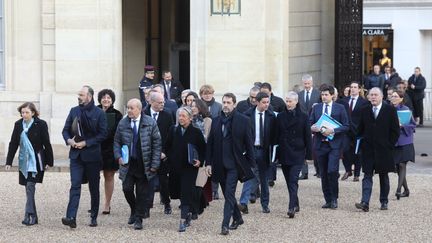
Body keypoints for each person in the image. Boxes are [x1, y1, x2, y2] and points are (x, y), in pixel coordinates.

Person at [205, 93, 255, 235]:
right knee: (229, 196)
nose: (225, 105)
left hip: (234, 165)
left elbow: (249, 143)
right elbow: (210, 144)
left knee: (229, 193)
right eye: (224, 102)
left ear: (234, 104)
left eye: (228, 102)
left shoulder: (243, 120)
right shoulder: (216, 121)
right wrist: (208, 163)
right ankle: (238, 218)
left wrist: (251, 163)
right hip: (219, 165)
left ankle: (224, 225)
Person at [61, 85, 108, 228]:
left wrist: (86, 143)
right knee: (75, 185)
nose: (79, 97)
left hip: (92, 156)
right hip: (76, 156)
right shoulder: (73, 111)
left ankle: (93, 216)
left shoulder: (99, 113)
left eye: (82, 94)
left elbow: (103, 134)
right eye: (79, 94)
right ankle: (71, 217)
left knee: (94, 188)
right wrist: (69, 141)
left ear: (90, 96)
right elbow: (65, 131)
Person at [113, 98, 162, 230]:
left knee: (141, 193)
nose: (129, 110)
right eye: (128, 108)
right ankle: (134, 209)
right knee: (127, 189)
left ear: (139, 109)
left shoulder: (150, 123)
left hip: (144, 164)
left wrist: (154, 164)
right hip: (128, 164)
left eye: (131, 108)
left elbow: (157, 145)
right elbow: (116, 142)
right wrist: (118, 157)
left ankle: (139, 218)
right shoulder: (123, 123)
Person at [5, 102, 54, 226]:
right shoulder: (18, 124)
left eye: (27, 112)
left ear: (33, 113)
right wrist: (9, 162)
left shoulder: (41, 124)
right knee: (28, 188)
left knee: (30, 186)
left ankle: (29, 215)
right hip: (24, 161)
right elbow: (13, 143)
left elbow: (46, 143)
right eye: (22, 112)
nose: (24, 114)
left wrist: (49, 161)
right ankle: (33, 217)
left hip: (36, 160)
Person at [355, 88, 400, 212]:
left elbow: (395, 131)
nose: (373, 97)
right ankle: (365, 202)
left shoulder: (390, 110)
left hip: (384, 150)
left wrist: (389, 145)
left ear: (381, 97)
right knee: (367, 175)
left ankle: (384, 201)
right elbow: (360, 129)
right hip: (368, 149)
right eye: (371, 95)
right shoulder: (364, 110)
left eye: (375, 95)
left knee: (383, 176)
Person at [165, 106, 206, 232]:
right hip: (175, 168)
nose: (181, 118)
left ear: (190, 118)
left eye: (183, 116)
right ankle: (189, 212)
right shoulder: (173, 129)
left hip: (190, 168)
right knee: (179, 192)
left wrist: (200, 161)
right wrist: (168, 156)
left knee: (186, 190)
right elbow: (167, 146)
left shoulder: (196, 132)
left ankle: (182, 220)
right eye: (179, 116)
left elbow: (203, 149)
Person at [310, 84, 349, 209]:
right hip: (320, 144)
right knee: (323, 173)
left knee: (332, 171)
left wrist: (333, 130)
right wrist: (313, 128)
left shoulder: (340, 108)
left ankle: (334, 198)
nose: (324, 97)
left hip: (334, 145)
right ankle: (327, 199)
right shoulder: (316, 108)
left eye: (326, 94)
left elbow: (346, 126)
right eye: (322, 94)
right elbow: (310, 123)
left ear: (332, 95)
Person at [239, 92, 276, 214]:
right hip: (251, 150)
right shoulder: (247, 115)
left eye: (268, 102)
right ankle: (243, 203)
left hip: (264, 150)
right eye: (264, 102)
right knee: (249, 175)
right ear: (257, 102)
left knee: (264, 179)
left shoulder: (271, 116)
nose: (266, 105)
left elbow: (274, 136)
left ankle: (265, 204)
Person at [276, 92, 312, 218]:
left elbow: (308, 136)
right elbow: (276, 135)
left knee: (293, 180)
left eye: (290, 101)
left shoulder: (303, 116)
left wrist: (309, 155)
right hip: (284, 152)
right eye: (287, 100)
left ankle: (291, 207)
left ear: (296, 101)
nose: (288, 103)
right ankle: (296, 203)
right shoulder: (280, 116)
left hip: (298, 152)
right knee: (289, 181)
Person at [144, 92, 174, 215]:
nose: (163, 104)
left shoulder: (167, 115)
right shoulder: (143, 114)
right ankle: (147, 205)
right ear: (151, 102)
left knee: (163, 181)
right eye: (160, 102)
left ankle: (166, 203)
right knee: (147, 180)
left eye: (163, 102)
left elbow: (170, 135)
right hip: (146, 152)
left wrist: (165, 152)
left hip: (162, 153)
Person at [97, 89, 123, 215]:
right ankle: (94, 202)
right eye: (103, 97)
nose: (106, 100)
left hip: (110, 149)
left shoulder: (117, 114)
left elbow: (118, 132)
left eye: (108, 98)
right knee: (93, 177)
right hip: (95, 148)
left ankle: (107, 203)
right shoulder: (94, 111)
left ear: (112, 100)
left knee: (109, 175)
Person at [390, 90, 415, 200]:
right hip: (393, 142)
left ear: (401, 99)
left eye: (396, 96)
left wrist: (402, 126)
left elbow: (413, 126)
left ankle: (398, 190)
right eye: (392, 96)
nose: (393, 98)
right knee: (397, 167)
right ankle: (407, 190)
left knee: (401, 165)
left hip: (405, 142)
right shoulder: (388, 110)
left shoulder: (406, 110)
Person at [341, 82, 368, 182]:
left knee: (358, 153)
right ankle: (348, 170)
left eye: (355, 87)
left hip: (359, 131)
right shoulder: (344, 101)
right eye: (351, 87)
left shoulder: (364, 102)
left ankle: (357, 174)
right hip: (346, 131)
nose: (352, 89)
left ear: (359, 89)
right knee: (345, 150)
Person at [297, 74, 321, 179]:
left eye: (308, 83)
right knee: (302, 148)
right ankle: (304, 172)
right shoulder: (299, 95)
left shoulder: (318, 94)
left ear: (312, 83)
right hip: (302, 124)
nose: (306, 85)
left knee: (316, 148)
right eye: (305, 84)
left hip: (315, 124)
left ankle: (319, 171)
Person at [191, 99, 213, 204]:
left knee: (200, 181)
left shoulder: (207, 121)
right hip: (191, 152)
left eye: (195, 106)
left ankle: (198, 204)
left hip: (203, 153)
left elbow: (209, 139)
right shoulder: (188, 120)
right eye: (191, 106)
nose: (193, 108)